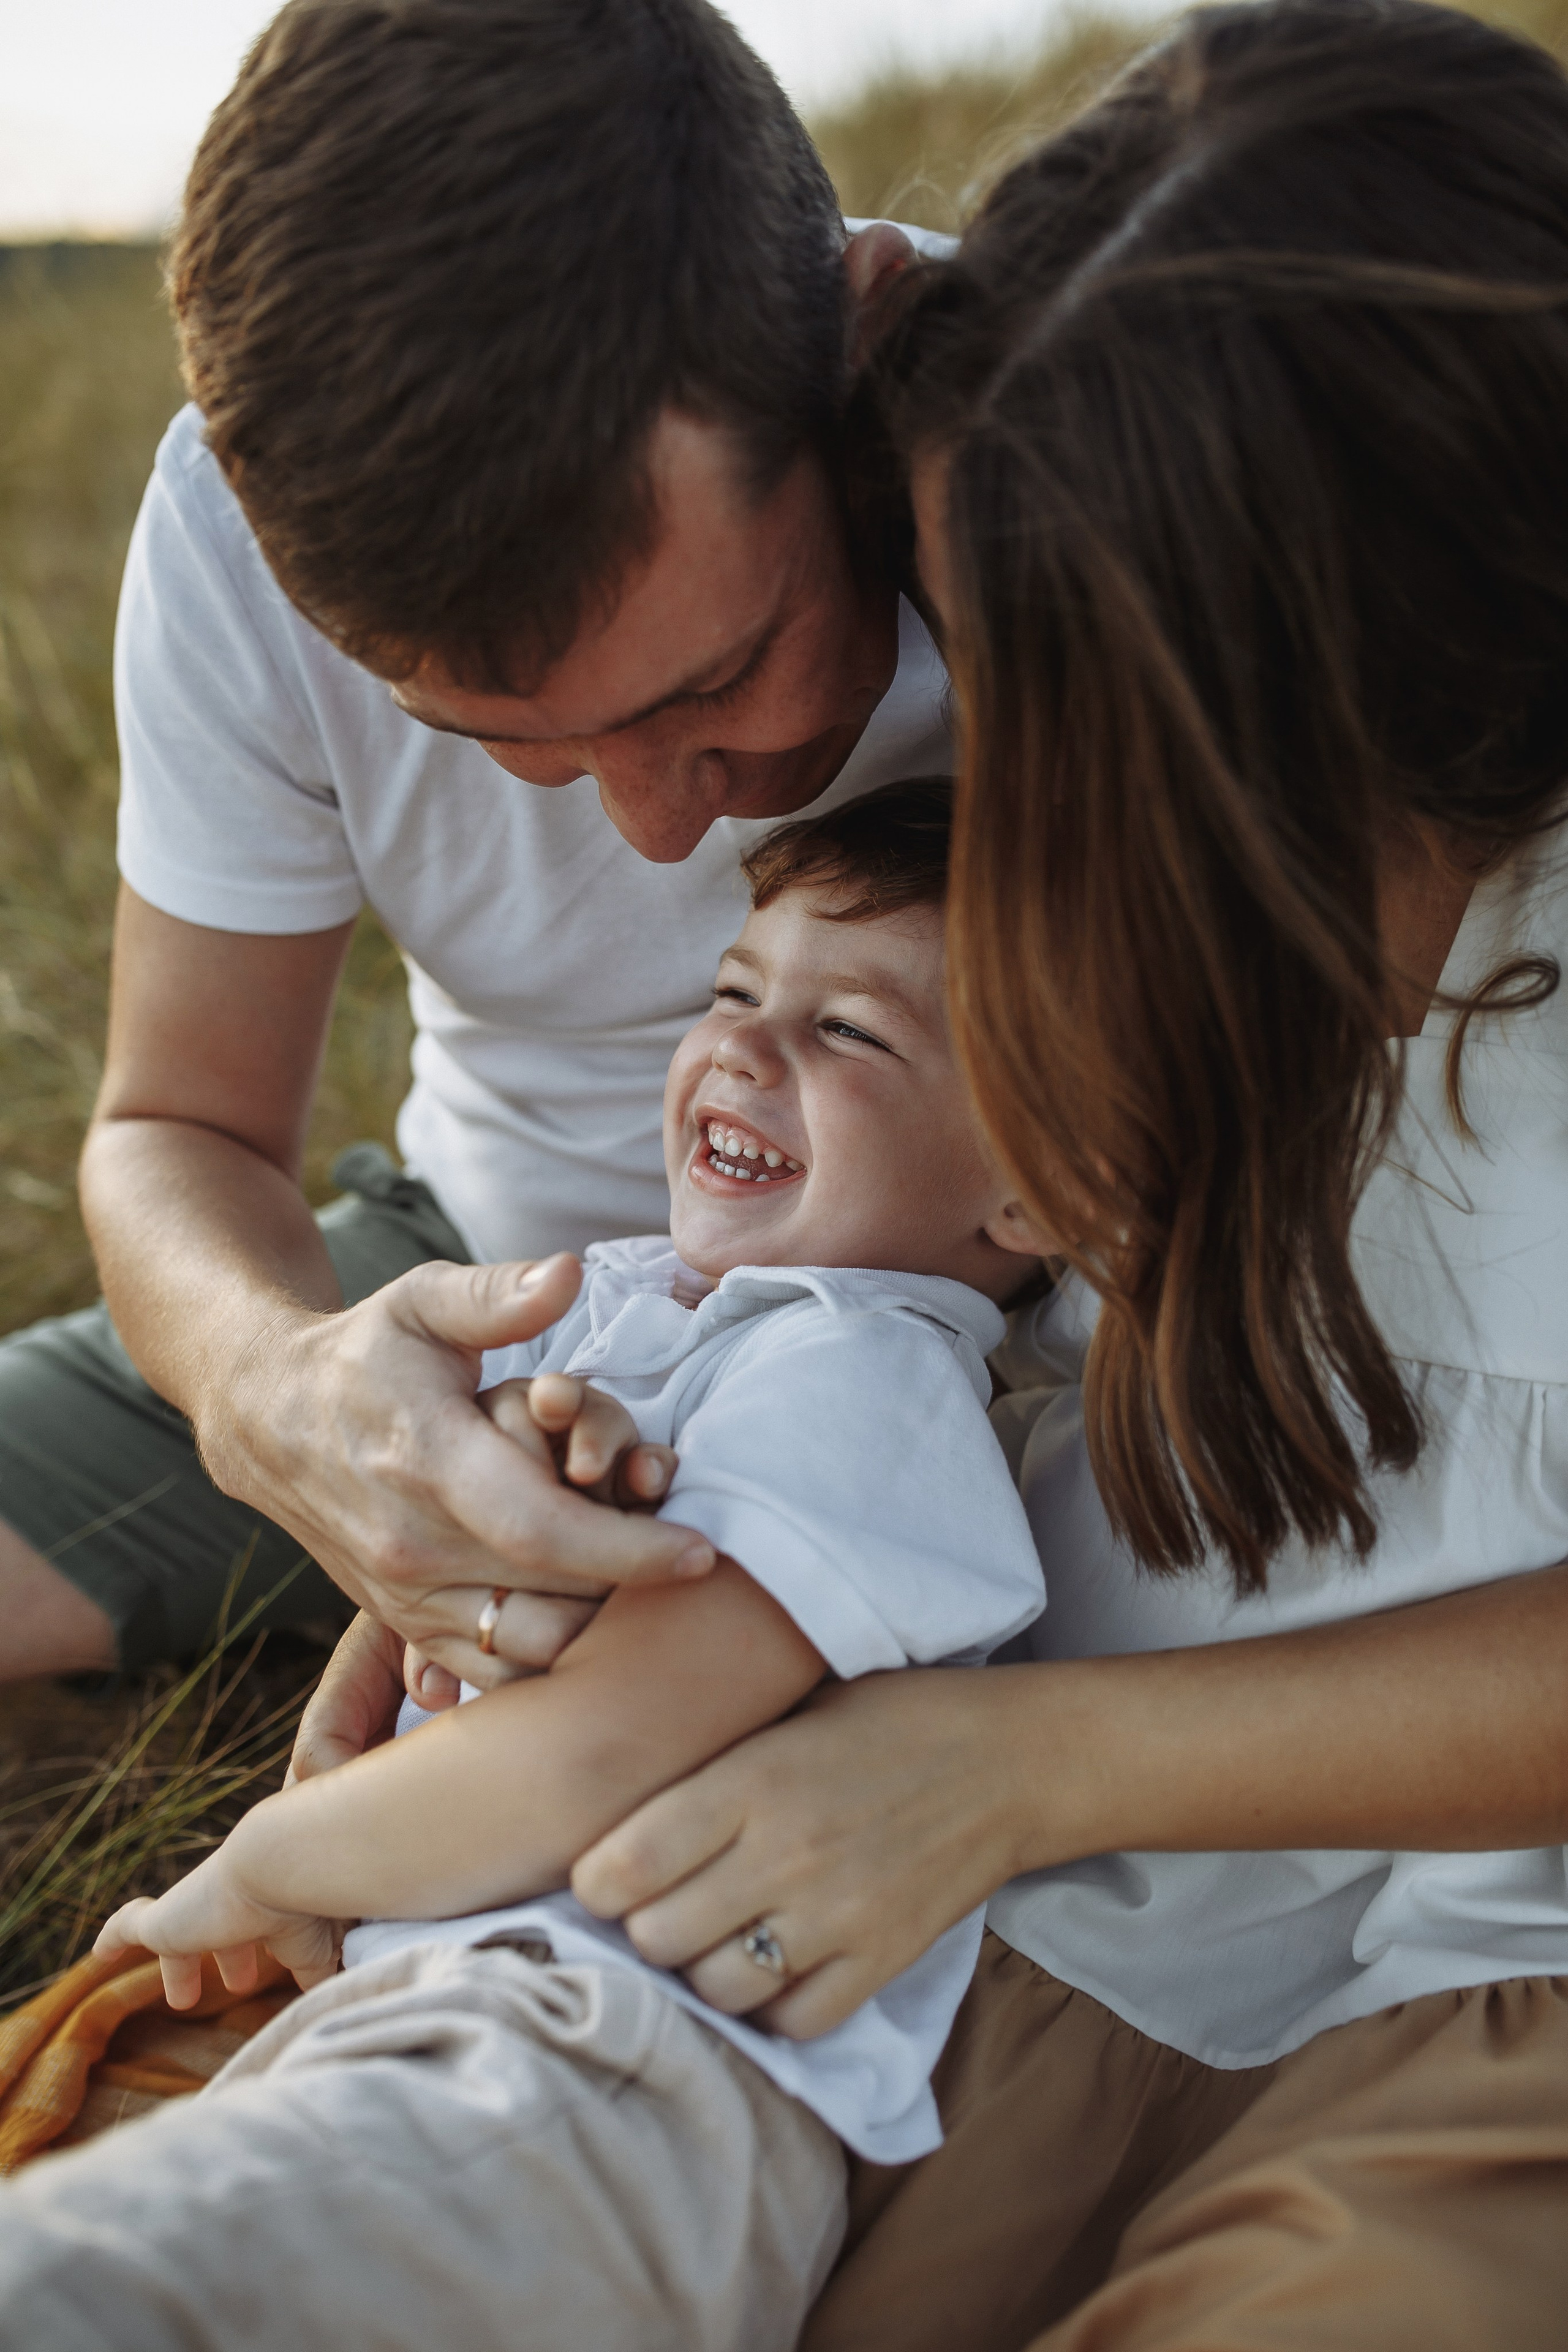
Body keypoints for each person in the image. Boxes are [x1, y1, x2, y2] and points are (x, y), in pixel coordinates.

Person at [545, 7, 1568, 2344]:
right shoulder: (1181, 932)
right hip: (1093, 1912)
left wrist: (1015, 1766)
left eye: (1037, 681)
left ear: (1334, 694)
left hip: (1486, 1973)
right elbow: (918, 1310)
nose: (981, 751)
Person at [0, 784, 1047, 2352]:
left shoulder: (871, 1382)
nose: (746, 1051)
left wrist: (269, 1862)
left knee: (96, 2285)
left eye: (853, 1035)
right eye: (735, 993)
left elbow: (595, 1753)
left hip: (619, 2057)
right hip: (456, 2005)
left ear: (1037, 1188)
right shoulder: (660, 1315)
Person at [0, 0, 952, 1687]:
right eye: (502, 742)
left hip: (998, 1327)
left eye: (718, 679)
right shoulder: (234, 542)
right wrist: (279, 1389)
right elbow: (175, 1127)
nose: (664, 832)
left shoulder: (1097, 463)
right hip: (484, 1287)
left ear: (867, 341)